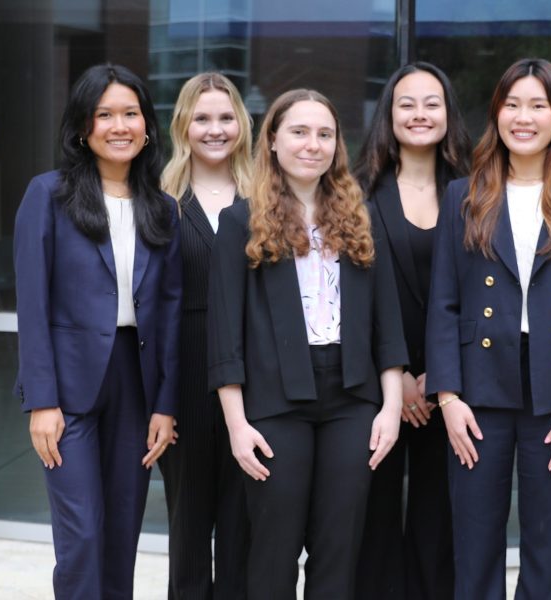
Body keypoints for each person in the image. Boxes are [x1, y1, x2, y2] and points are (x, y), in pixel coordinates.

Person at [206, 88, 408, 600]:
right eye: (299, 132)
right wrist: (236, 425)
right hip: (274, 403)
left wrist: (388, 408)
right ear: (272, 139)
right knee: (274, 549)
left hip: (353, 399)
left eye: (324, 134)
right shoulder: (239, 221)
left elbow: (387, 323)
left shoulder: (360, 217)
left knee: (339, 549)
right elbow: (225, 334)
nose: (312, 144)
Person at [426, 58, 551, 600]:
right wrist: (447, 397)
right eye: (513, 104)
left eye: (538, 105)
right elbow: (444, 302)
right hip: (477, 391)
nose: (524, 117)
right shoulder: (463, 195)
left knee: (549, 543)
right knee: (475, 539)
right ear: (497, 114)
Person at [13, 63, 181, 599]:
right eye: (104, 114)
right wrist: (41, 400)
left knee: (122, 532)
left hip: (136, 383)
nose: (119, 125)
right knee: (82, 537)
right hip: (69, 388)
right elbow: (32, 303)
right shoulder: (49, 195)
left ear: (147, 125)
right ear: (83, 127)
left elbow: (172, 310)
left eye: (130, 113)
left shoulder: (164, 209)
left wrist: (165, 404)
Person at [352, 61, 471, 600]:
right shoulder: (356, 193)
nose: (419, 114)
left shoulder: (477, 194)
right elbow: (351, 299)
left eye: (432, 102)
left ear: (448, 113)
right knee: (370, 525)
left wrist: (439, 378)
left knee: (440, 523)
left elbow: (481, 297)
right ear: (388, 114)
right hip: (376, 386)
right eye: (407, 103)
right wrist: (395, 377)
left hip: (454, 388)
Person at [159, 72, 253, 599]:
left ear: (241, 123)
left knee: (244, 532)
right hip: (187, 384)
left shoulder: (266, 197)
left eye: (225, 117)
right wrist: (161, 403)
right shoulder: (160, 202)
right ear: (183, 126)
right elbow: (153, 314)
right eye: (202, 118)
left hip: (254, 386)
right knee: (188, 532)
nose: (215, 129)